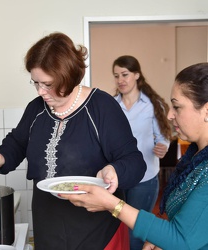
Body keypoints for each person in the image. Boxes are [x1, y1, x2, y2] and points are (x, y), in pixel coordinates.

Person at [0, 32, 147, 250]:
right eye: (36, 83)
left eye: (48, 84)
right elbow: (18, 142)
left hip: (97, 230)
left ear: (68, 76)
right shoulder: (36, 109)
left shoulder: (101, 107)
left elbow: (134, 161)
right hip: (48, 225)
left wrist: (115, 170)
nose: (41, 92)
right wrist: (2, 156)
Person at [61, 62, 208, 250]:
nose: (170, 115)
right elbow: (190, 227)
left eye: (177, 107)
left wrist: (110, 203)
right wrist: (162, 238)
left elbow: (181, 240)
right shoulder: (195, 157)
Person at [112, 55, 172, 250]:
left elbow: (163, 136)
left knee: (135, 231)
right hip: (117, 178)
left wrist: (162, 146)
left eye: (125, 74)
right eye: (116, 76)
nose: (120, 80)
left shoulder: (153, 105)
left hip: (145, 179)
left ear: (137, 75)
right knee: (116, 227)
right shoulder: (111, 105)